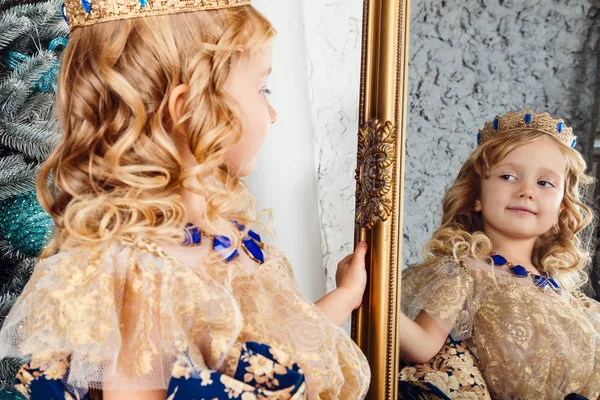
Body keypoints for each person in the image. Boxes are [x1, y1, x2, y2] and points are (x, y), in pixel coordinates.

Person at [0, 1, 370, 399]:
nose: (274, 113)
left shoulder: (229, 239)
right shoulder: (146, 274)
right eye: (262, 89)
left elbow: (278, 351)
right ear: (189, 110)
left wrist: (345, 298)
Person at [399, 109, 600, 399]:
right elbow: (421, 344)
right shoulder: (464, 274)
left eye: (545, 183)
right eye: (508, 176)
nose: (527, 191)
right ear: (477, 195)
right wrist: (373, 291)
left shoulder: (567, 296)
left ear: (561, 207)